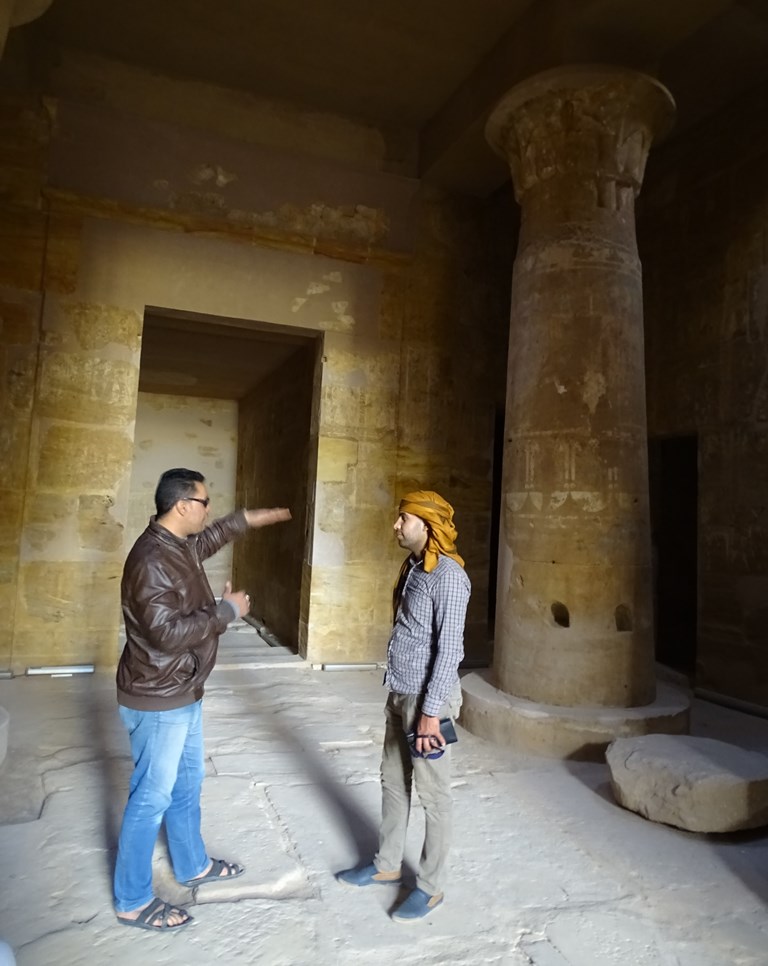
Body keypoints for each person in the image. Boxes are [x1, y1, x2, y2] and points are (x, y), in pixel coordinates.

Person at [114, 467, 291, 931]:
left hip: (182, 689)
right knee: (150, 798)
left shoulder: (176, 544)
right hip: (158, 694)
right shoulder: (151, 560)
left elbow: (207, 539)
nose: (208, 510)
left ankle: (192, 865)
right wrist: (227, 611)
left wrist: (246, 519)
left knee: (187, 783)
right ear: (181, 506)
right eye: (204, 502)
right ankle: (131, 899)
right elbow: (167, 634)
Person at [337, 490, 471, 922]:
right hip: (401, 691)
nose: (396, 525)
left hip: (428, 702)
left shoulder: (448, 577)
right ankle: (387, 865)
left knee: (435, 795)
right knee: (393, 781)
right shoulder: (415, 567)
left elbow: (450, 650)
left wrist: (431, 712)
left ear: (428, 526)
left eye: (404, 519)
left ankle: (430, 887)